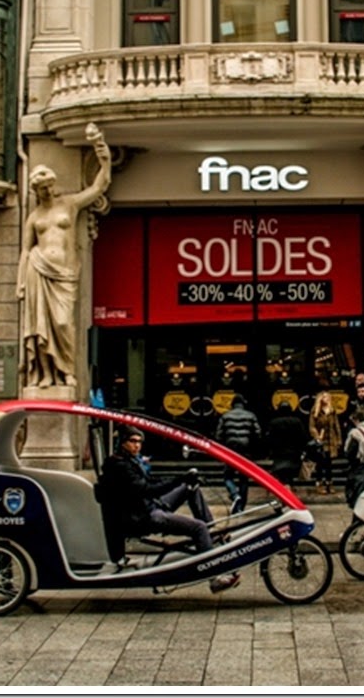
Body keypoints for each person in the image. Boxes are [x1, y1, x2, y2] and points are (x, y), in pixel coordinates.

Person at [18, 122, 112, 388]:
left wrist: (103, 157)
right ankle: (47, 374)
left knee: (62, 323)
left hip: (64, 274)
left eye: (49, 186)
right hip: (38, 268)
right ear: (36, 192)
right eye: (41, 189)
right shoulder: (35, 216)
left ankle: (66, 369)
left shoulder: (69, 204)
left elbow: (98, 188)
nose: (46, 191)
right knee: (40, 327)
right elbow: (26, 249)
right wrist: (21, 283)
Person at [98, 426, 240, 592]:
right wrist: (178, 479)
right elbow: (148, 489)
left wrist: (183, 479)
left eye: (139, 442)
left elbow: (152, 481)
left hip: (148, 506)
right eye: (132, 441)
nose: (137, 445)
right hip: (144, 517)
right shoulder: (119, 466)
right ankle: (214, 578)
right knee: (198, 528)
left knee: (190, 487)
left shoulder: (129, 461)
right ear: (122, 443)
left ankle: (211, 531)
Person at [214, 394, 261, 514]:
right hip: (246, 450)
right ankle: (241, 507)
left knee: (228, 475)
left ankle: (234, 494)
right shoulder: (251, 415)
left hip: (231, 449)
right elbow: (257, 433)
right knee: (244, 478)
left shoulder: (225, 416)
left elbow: (218, 435)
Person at [267, 401, 307, 491]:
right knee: (291, 469)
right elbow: (303, 436)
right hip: (294, 450)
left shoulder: (274, 422)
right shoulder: (297, 421)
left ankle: (285, 485)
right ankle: (289, 484)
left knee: (281, 470)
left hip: (279, 450)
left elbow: (270, 437)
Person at [309, 391, 342, 495]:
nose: (326, 399)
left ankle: (329, 483)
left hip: (330, 440)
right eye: (324, 397)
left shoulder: (332, 411)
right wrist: (316, 436)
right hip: (321, 440)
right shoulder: (315, 411)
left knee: (328, 464)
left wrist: (338, 439)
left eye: (327, 397)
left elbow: (336, 426)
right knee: (320, 463)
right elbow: (312, 426)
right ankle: (319, 483)